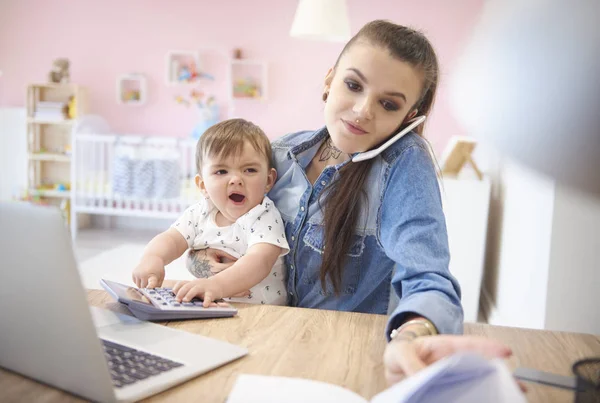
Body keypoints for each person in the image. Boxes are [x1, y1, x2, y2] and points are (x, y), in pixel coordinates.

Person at [188, 20, 513, 384]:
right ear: (330, 80)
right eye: (353, 85)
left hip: (339, 363)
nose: (362, 110)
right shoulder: (277, 154)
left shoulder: (403, 165)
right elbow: (201, 235)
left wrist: (412, 336)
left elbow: (428, 277)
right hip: (256, 341)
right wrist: (203, 265)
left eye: (388, 103)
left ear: (408, 117)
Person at [132, 118, 290, 307]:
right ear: (202, 185)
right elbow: (172, 239)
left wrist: (215, 286)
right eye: (221, 171)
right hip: (210, 304)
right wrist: (153, 258)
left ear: (268, 180)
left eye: (249, 170)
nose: (235, 180)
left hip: (261, 311)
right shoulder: (201, 212)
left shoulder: (263, 215)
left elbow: (260, 260)